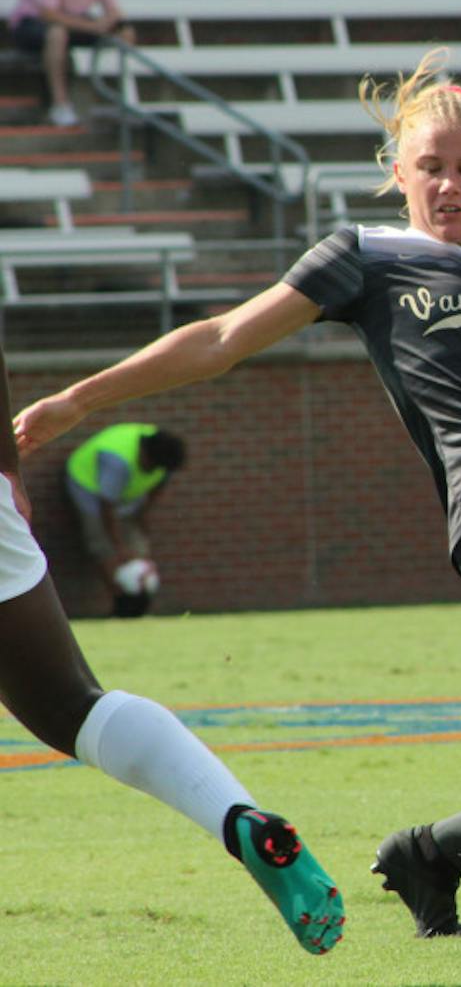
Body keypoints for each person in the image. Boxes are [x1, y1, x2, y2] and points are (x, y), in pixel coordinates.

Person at [12, 48, 461, 951]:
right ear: (397, 172)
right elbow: (222, 338)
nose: (448, 182)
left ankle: (429, 854)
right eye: (429, 164)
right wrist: (79, 398)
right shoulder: (364, 256)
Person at [0, 344, 342, 954]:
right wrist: (9, 475)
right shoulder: (119, 454)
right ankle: (237, 819)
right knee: (72, 706)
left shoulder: (149, 461)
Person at [7, 0, 137, 128]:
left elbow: (112, 9)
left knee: (123, 33)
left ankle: (124, 99)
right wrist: (94, 26)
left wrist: (122, 26)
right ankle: (60, 105)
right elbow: (48, 13)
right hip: (31, 24)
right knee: (57, 34)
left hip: (76, 20)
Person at [63, 422, 186, 617]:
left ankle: (141, 599)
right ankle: (123, 603)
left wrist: (143, 516)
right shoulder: (117, 461)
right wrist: (119, 547)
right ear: (145, 455)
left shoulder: (164, 455)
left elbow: (158, 486)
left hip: (126, 491)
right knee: (102, 544)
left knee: (137, 546)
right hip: (89, 488)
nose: (154, 471)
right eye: (152, 467)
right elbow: (106, 508)